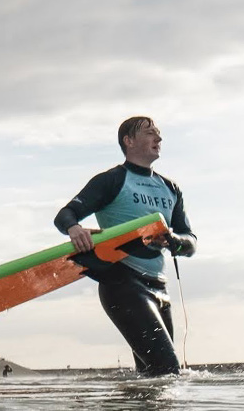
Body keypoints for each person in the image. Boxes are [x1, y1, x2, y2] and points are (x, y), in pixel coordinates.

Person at [52, 116, 196, 377]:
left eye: (159, 133)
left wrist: (175, 241)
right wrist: (75, 229)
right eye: (150, 133)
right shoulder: (113, 180)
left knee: (151, 378)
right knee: (168, 372)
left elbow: (190, 241)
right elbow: (65, 215)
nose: (159, 138)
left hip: (159, 288)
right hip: (123, 284)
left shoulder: (170, 188)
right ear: (128, 141)